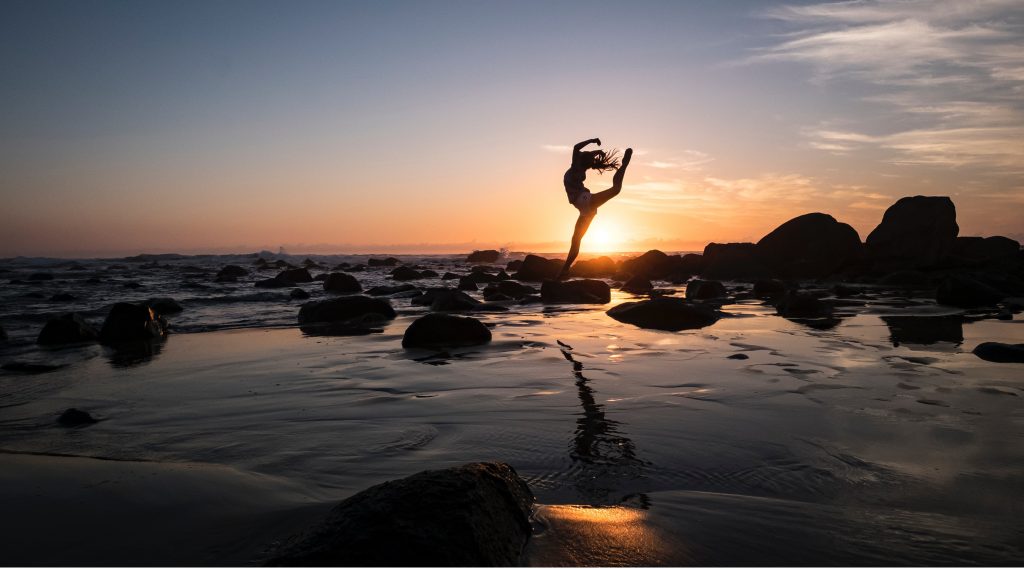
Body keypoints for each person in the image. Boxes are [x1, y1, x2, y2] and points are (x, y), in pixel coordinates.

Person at [557, 138, 632, 279]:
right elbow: (580, 151)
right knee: (576, 239)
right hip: (584, 208)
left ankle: (625, 164)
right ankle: (564, 271)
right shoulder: (579, 167)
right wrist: (596, 149)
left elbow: (576, 147)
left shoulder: (576, 167)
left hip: (584, 200)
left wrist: (592, 141)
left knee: (615, 189)